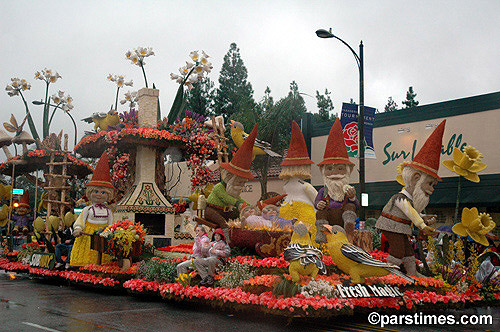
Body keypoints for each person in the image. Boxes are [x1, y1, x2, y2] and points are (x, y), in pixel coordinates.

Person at [375, 120, 445, 277]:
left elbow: (413, 212)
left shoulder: (410, 201)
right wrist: (421, 225)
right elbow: (409, 212)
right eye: (430, 183)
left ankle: (412, 273)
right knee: (398, 249)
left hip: (401, 227)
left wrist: (424, 218)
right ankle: (388, 274)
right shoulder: (400, 198)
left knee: (407, 249)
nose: (432, 188)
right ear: (416, 178)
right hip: (391, 225)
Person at [205, 123, 258, 239]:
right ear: (229, 176)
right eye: (239, 181)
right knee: (223, 223)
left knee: (240, 217)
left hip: (225, 211)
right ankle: (228, 242)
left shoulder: (232, 189)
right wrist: (238, 204)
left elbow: (237, 197)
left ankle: (244, 237)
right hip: (212, 210)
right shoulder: (219, 187)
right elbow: (228, 199)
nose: (241, 184)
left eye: (242, 182)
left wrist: (248, 206)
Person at [313, 119, 359, 244]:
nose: (334, 173)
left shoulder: (348, 189)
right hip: (328, 219)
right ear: (323, 171)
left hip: (343, 218)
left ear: (348, 171)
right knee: (321, 213)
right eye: (329, 169)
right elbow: (317, 201)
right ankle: (322, 233)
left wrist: (353, 197)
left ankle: (349, 224)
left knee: (350, 205)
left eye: (340, 168)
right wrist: (318, 204)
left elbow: (358, 206)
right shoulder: (324, 190)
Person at [71, 152, 115, 267]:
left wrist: (109, 232)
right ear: (90, 192)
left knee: (102, 258)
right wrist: (78, 228)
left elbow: (111, 224)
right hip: (87, 236)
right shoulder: (87, 209)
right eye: (96, 191)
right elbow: (80, 221)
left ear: (108, 194)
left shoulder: (108, 211)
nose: (99, 195)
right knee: (87, 256)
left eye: (103, 192)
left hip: (103, 237)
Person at [279, 121, 318, 240]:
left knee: (306, 227)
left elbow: (315, 198)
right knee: (286, 229)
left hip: (302, 209)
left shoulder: (304, 185)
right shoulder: (289, 185)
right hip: (289, 210)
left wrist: (316, 210)